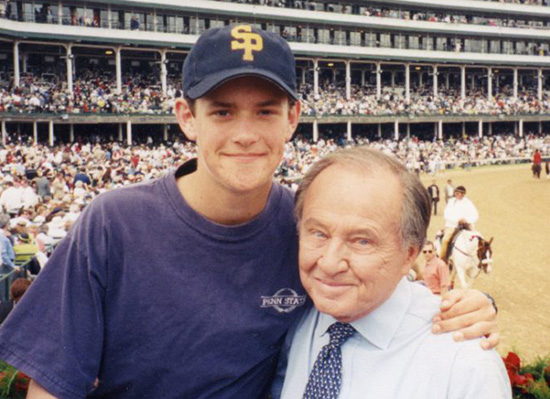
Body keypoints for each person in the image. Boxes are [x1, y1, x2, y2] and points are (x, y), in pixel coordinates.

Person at [0, 25, 498, 399]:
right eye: (221, 110)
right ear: (185, 118)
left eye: (265, 110)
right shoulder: (113, 222)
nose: (244, 133)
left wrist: (466, 308)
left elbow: (375, 269)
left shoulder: (305, 228)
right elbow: (52, 383)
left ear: (293, 119)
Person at [274, 147, 509, 399]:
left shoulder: (467, 368)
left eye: (362, 241)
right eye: (318, 233)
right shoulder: (298, 319)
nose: (330, 263)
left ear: (409, 255)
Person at [440, 185, 479, 261]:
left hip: (466, 225)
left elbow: (475, 215)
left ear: (463, 194)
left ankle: (479, 259)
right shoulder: (451, 202)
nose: (457, 195)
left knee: (478, 238)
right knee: (445, 240)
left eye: (459, 193)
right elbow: (446, 214)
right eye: (456, 193)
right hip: (453, 226)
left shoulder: (468, 203)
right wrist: (457, 220)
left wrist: (466, 220)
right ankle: (443, 260)